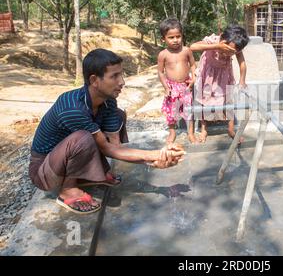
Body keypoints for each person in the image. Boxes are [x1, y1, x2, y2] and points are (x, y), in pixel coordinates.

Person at [28, 49, 185, 214]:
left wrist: (154, 160)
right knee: (83, 138)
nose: (122, 82)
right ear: (94, 80)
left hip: (65, 159)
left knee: (118, 115)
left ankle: (91, 173)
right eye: (114, 76)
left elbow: (115, 147)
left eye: (121, 75)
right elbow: (107, 148)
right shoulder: (72, 108)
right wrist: (153, 155)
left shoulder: (108, 102)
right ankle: (67, 190)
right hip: (44, 170)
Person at [191, 25, 249, 143]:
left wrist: (242, 81)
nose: (228, 54)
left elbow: (242, 64)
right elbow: (192, 47)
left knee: (229, 101)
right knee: (204, 101)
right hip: (207, 76)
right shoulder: (213, 41)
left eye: (232, 53)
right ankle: (204, 129)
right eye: (227, 50)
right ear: (222, 39)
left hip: (224, 77)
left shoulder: (236, 47)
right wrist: (217, 46)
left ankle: (231, 130)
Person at [158, 18, 198, 144]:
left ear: (182, 36)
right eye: (171, 37)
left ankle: (190, 133)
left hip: (186, 86)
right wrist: (166, 87)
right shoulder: (163, 54)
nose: (175, 40)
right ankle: (172, 132)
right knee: (172, 111)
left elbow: (192, 65)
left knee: (189, 110)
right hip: (172, 87)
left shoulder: (186, 50)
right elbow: (160, 72)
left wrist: (194, 78)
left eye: (178, 36)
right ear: (163, 39)